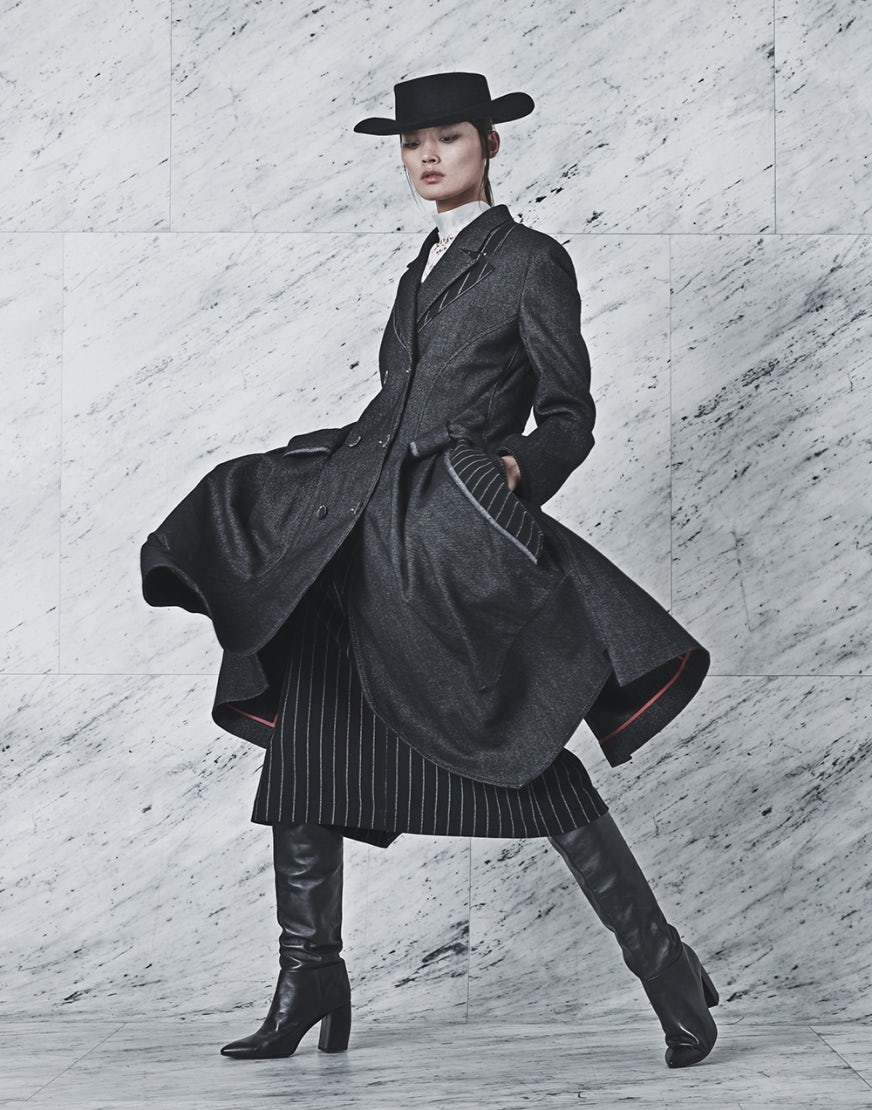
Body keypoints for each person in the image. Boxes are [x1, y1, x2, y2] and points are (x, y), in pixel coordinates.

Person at [140, 71, 719, 1068]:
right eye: (411, 144)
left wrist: (515, 470)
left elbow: (569, 414)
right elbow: (398, 406)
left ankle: (663, 964)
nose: (426, 156)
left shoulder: (530, 260)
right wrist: (325, 466)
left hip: (444, 540)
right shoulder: (418, 268)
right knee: (312, 736)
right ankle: (308, 973)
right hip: (359, 528)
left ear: (489, 145)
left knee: (520, 753)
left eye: (446, 137)